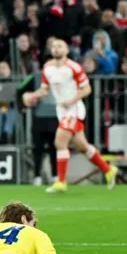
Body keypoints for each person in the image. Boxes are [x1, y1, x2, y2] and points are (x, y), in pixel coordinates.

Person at [24, 39, 118, 193]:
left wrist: (71, 100)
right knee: (82, 146)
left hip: (73, 109)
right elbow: (45, 90)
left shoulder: (74, 67)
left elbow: (87, 89)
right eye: (54, 46)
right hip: (61, 111)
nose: (56, 49)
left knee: (59, 142)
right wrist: (32, 95)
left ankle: (61, 182)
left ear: (67, 50)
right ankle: (108, 169)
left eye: (60, 46)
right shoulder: (47, 68)